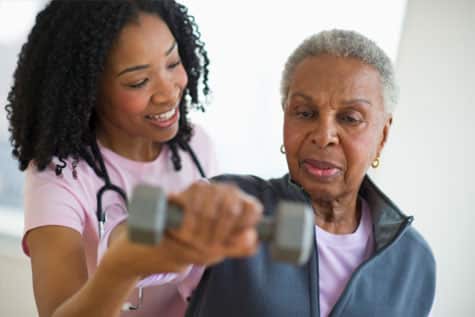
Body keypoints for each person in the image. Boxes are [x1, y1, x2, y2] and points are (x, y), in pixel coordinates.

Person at [97, 29, 436, 317]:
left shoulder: (414, 263)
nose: (324, 135)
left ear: (383, 135)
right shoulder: (229, 202)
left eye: (349, 118)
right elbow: (123, 244)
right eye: (304, 113)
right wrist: (170, 226)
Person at [4, 0, 223, 316]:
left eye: (173, 63)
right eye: (138, 81)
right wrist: (123, 266)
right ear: (87, 90)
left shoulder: (197, 146)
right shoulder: (58, 174)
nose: (168, 92)